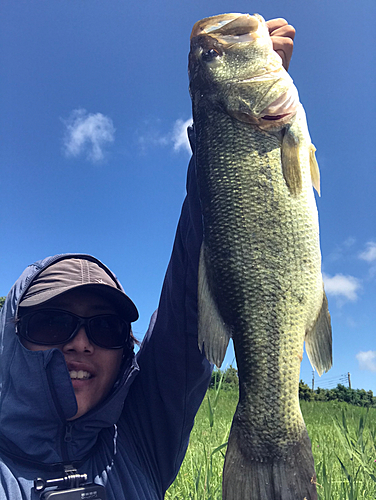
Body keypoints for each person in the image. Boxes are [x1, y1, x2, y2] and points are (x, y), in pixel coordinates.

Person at [0, 18, 295, 500]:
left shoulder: (140, 442)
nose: (80, 344)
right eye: (50, 323)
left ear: (126, 352)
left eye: (105, 328)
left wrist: (229, 133)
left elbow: (188, 305)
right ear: (11, 338)